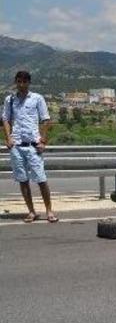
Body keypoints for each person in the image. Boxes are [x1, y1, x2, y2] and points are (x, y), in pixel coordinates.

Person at [2, 71, 57, 223]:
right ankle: (31, 211)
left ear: (29, 82)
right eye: (19, 81)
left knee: (41, 179)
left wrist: (43, 141)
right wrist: (8, 138)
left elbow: (45, 120)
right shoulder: (10, 100)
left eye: (24, 81)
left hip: (33, 145)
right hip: (17, 145)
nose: (21, 84)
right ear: (16, 82)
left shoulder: (37, 98)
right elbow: (5, 119)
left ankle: (49, 211)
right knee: (23, 180)